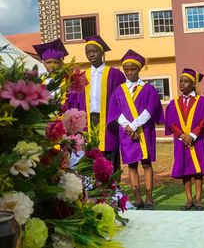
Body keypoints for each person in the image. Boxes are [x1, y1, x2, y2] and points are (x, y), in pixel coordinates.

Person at [108, 49, 164, 210]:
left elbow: (150, 109)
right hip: (126, 132)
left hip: (143, 131)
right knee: (131, 165)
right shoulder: (119, 90)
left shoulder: (148, 89)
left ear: (139, 69)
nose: (130, 72)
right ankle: (138, 198)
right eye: (127, 70)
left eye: (133, 69)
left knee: (146, 163)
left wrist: (134, 125)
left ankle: (149, 198)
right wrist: (128, 126)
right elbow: (114, 111)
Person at [165, 68, 204, 211]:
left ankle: (199, 199)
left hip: (197, 140)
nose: (182, 84)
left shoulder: (203, 102)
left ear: (193, 84)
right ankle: (189, 199)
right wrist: (182, 136)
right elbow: (171, 122)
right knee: (184, 169)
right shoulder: (174, 103)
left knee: (197, 170)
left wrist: (192, 135)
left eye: (186, 81)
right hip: (181, 141)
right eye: (181, 81)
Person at [75, 35, 126, 173]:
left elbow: (123, 100)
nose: (91, 54)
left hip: (109, 120)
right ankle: (95, 190)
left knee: (110, 153)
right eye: (88, 52)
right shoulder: (83, 76)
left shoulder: (115, 74)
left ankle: (113, 189)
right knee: (91, 154)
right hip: (89, 121)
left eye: (94, 51)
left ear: (102, 52)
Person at [33, 38, 72, 107]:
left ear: (61, 63)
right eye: (48, 62)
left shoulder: (68, 80)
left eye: (56, 62)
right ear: (44, 63)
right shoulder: (39, 81)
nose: (52, 65)